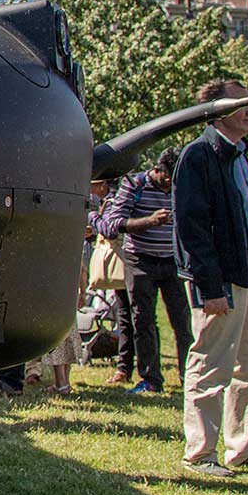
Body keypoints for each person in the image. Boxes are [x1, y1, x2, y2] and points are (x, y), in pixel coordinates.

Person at [172, 78, 248, 479]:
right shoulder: (200, 155)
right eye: (244, 103)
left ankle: (243, 447)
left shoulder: (239, 154)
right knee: (212, 358)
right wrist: (210, 286)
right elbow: (191, 228)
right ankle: (200, 452)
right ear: (219, 111)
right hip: (224, 267)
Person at [95, 149, 191, 394]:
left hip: (171, 261)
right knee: (143, 320)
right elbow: (114, 224)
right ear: (158, 170)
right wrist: (149, 221)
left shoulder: (181, 186)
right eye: (167, 178)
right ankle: (150, 379)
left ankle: (189, 376)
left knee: (182, 321)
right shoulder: (134, 184)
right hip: (140, 260)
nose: (170, 184)